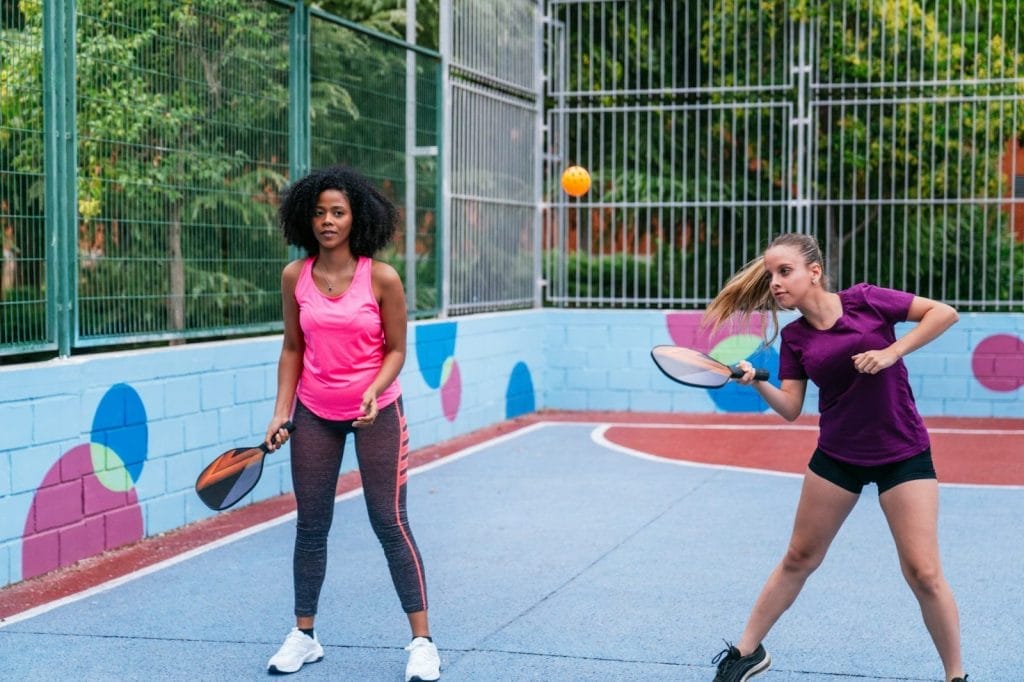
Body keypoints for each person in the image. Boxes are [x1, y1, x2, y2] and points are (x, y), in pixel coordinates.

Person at [702, 233, 967, 682]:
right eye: (770, 276)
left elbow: (945, 312)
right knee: (799, 557)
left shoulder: (866, 300)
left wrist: (891, 352)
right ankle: (746, 653)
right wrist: (756, 382)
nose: (776, 283)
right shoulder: (795, 338)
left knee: (923, 572)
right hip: (838, 454)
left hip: (902, 451)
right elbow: (790, 408)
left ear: (815, 272)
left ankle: (956, 676)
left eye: (784, 272)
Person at [263, 165, 440, 681]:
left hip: (377, 411)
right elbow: (293, 348)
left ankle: (423, 642)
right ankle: (304, 636)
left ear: (356, 217)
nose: (327, 220)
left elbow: (397, 349)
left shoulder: (381, 277)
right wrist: (281, 412)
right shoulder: (294, 277)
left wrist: (373, 389)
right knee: (311, 526)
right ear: (305, 218)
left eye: (337, 212)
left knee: (390, 523)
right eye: (318, 212)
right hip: (314, 413)